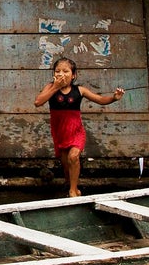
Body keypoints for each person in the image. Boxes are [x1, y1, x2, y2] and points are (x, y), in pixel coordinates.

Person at [34, 56, 123, 197]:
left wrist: (113, 98)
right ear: (53, 74)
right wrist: (55, 87)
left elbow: (100, 99)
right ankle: (69, 183)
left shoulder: (79, 90)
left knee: (73, 156)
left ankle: (73, 190)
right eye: (57, 71)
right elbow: (38, 102)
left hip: (76, 130)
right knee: (65, 162)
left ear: (73, 75)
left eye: (65, 71)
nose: (61, 74)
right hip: (60, 131)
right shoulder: (50, 88)